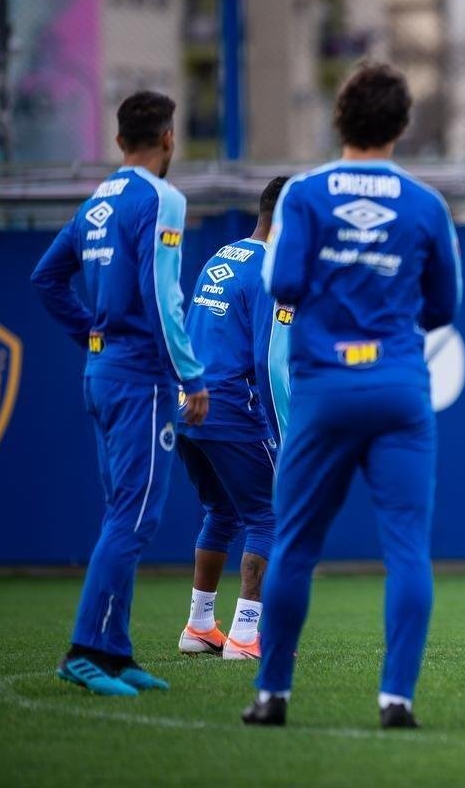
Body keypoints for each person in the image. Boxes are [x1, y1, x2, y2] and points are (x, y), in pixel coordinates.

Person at [243, 62, 461, 728]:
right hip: (397, 389)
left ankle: (273, 693)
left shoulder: (303, 196)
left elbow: (279, 282)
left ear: (339, 119)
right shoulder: (426, 204)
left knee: (297, 548)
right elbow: (445, 305)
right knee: (406, 551)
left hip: (325, 388)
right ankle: (396, 698)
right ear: (401, 125)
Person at [30, 90, 209, 696]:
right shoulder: (162, 198)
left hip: (102, 374)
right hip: (141, 379)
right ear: (168, 139)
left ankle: (114, 651)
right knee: (134, 518)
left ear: (116, 142)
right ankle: (83, 651)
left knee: (120, 514)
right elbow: (162, 295)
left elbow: (46, 277)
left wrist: (92, 334)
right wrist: (191, 374)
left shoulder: (97, 201)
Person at [176, 177, 292, 661]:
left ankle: (200, 625)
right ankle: (246, 636)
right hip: (232, 408)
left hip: (187, 405)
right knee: (270, 517)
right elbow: (268, 358)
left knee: (222, 512)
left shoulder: (224, 255)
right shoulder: (271, 269)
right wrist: (283, 433)